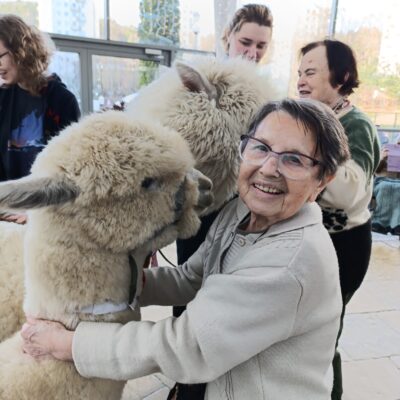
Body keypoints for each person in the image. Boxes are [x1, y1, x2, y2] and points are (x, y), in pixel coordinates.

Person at [22, 98, 350, 400]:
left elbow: (188, 347)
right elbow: (191, 278)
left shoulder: (288, 263)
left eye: (293, 159)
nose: (268, 168)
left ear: (322, 178)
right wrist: (113, 282)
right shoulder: (242, 212)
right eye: (260, 147)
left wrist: (69, 344)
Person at [173, 5, 273, 397]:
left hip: (241, 217)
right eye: (246, 41)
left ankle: (210, 381)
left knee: (225, 307)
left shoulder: (266, 94)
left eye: (261, 45)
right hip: (198, 213)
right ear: (228, 36)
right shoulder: (195, 84)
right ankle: (186, 380)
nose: (251, 51)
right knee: (187, 295)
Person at [297, 39, 381, 400]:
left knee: (323, 336)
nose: (301, 80)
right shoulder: (309, 118)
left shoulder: (357, 125)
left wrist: (300, 162)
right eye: (300, 72)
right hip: (309, 240)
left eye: (311, 72)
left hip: (343, 247)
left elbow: (348, 191)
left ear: (342, 76)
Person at [0, 14, 80, 223]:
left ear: (20, 51)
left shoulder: (63, 101)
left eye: (0, 56)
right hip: (5, 212)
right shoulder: (2, 97)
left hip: (44, 217)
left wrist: (35, 213)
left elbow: (70, 174)